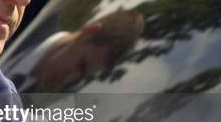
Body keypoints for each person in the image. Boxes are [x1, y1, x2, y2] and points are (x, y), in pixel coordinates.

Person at [11, 10, 145, 93]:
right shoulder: (28, 16)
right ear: (89, 32)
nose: (69, 79)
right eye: (81, 65)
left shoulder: (27, 105)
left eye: (82, 76)